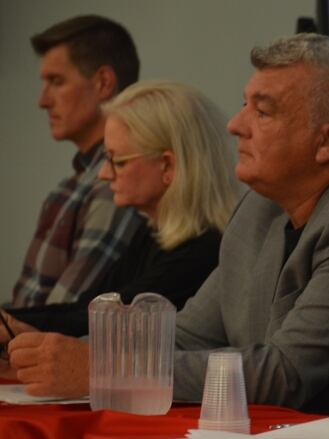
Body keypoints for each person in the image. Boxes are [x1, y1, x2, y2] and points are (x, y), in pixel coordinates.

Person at [5, 34, 329, 424]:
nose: (235, 125)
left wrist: (101, 369)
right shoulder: (262, 204)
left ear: (327, 141)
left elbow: (286, 374)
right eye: (245, 104)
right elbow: (187, 335)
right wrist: (50, 358)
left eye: (261, 111)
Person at [1, 80, 238, 338]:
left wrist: (14, 325)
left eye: (117, 161)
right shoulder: (152, 234)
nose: (103, 174)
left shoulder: (203, 251)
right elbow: (88, 309)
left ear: (167, 166)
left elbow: (106, 322)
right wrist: (11, 321)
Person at [12, 15, 144, 308]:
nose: (42, 101)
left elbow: (59, 317)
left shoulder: (116, 185)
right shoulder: (74, 185)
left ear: (103, 83)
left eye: (56, 81)